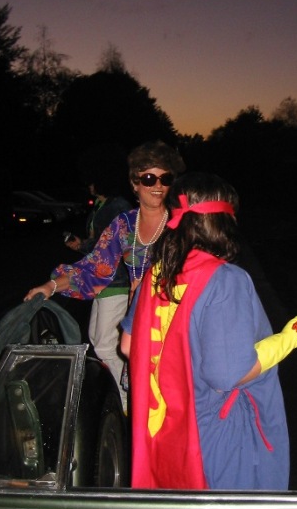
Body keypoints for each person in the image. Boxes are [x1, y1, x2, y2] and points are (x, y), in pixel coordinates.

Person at [120, 172, 297, 490]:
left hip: (167, 436)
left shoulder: (157, 274)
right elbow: (227, 374)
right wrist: (287, 340)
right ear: (221, 221)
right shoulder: (225, 280)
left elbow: (129, 346)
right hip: (218, 440)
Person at [24, 140, 186, 409]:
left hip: (173, 322)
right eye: (149, 178)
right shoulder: (124, 225)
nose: (158, 185)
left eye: (165, 178)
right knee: (141, 398)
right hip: (139, 320)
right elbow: (94, 268)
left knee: (169, 398)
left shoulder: (181, 224)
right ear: (134, 183)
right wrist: (51, 286)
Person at [63, 169, 131, 401]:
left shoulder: (118, 206)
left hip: (117, 282)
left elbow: (115, 244)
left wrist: (84, 245)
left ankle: (125, 399)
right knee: (95, 338)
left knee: (104, 345)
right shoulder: (101, 206)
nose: (89, 185)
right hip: (101, 283)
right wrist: (82, 245)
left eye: (93, 180)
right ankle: (119, 392)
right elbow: (99, 244)